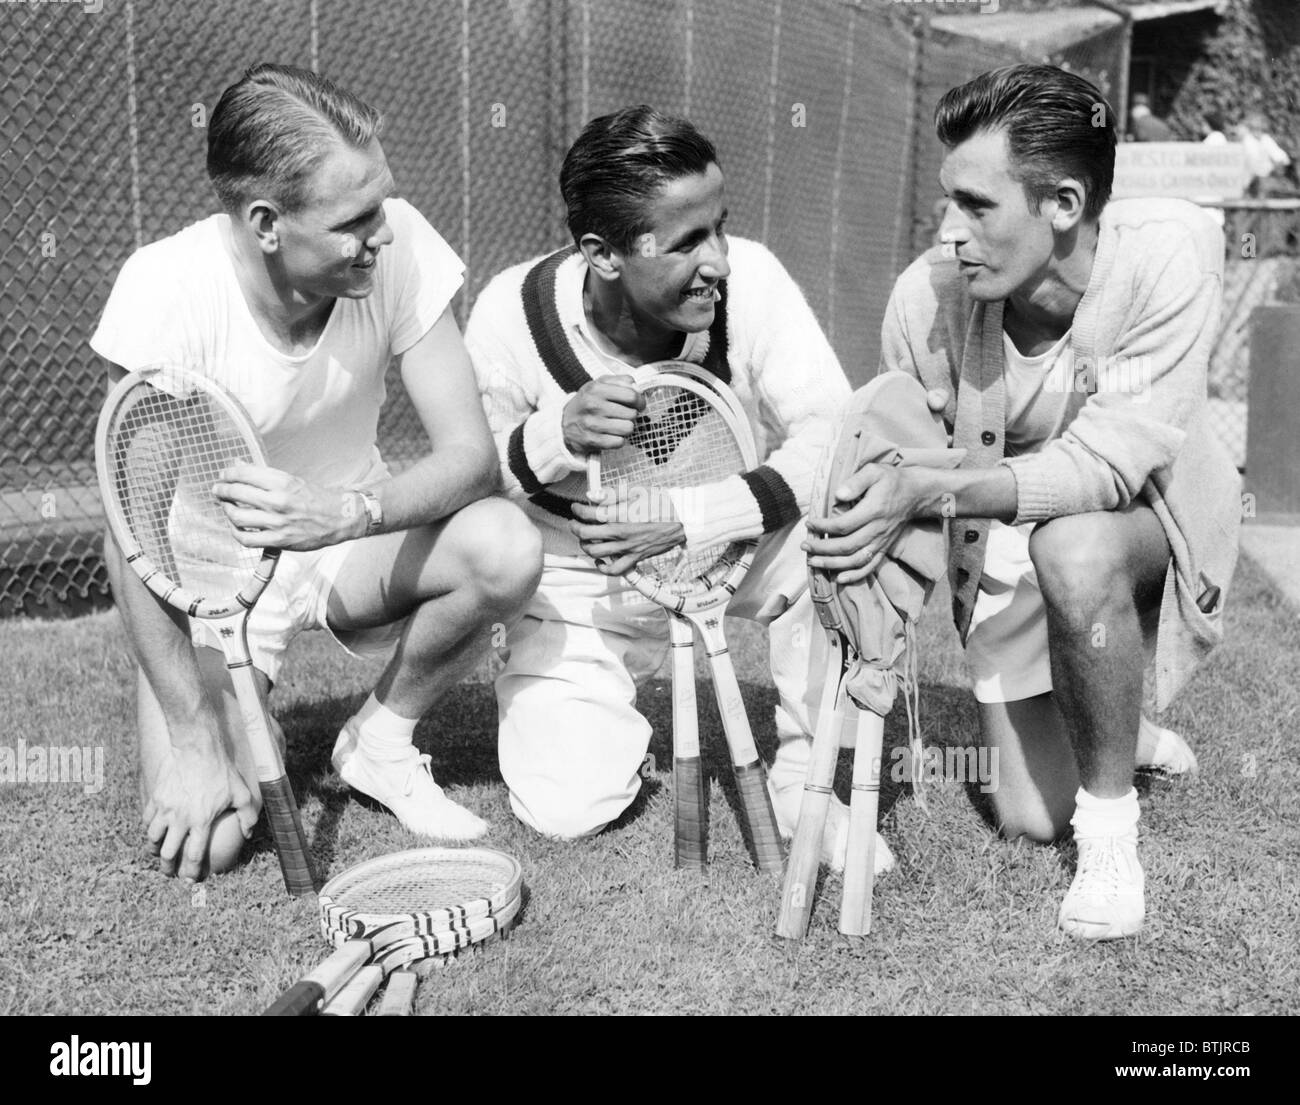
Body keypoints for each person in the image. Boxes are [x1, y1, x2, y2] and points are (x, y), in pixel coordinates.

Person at [807, 65, 1241, 939]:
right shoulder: (925, 297)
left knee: (1073, 549)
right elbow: (907, 457)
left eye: (976, 205)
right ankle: (1121, 725)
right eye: (945, 201)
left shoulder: (1171, 250)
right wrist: (874, 582)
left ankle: (1112, 835)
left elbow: (1112, 465)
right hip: (992, 527)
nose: (947, 231)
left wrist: (937, 486)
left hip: (1149, 512)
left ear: (1066, 203)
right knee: (1027, 816)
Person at [92, 63, 543, 883]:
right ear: (266, 222)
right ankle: (230, 708)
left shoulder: (399, 251)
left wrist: (347, 513)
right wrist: (194, 739)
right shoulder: (166, 291)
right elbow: (132, 537)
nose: (387, 232)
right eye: (356, 218)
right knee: (214, 843)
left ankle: (379, 740)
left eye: (383, 202)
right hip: (214, 578)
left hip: (345, 542)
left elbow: (471, 458)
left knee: (506, 545)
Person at [466, 106, 892, 874]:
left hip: (728, 550)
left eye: (720, 227)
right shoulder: (510, 310)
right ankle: (583, 696)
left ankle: (806, 776)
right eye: (689, 241)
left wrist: (691, 517)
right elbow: (471, 476)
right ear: (601, 253)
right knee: (567, 809)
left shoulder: (752, 281)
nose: (721, 260)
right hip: (581, 575)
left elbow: (835, 433)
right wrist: (557, 431)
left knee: (838, 530)